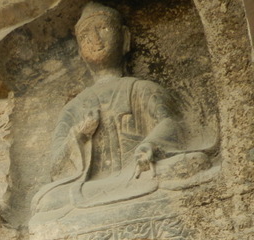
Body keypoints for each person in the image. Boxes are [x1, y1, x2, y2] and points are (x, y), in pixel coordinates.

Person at [32, 2, 212, 218]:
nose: (96, 39)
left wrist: (150, 144)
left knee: (192, 164)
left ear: (125, 38)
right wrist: (79, 135)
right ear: (80, 50)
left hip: (139, 174)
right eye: (86, 34)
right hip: (94, 187)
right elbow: (56, 168)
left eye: (103, 28)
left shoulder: (142, 89)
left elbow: (170, 124)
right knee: (45, 200)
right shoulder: (73, 109)